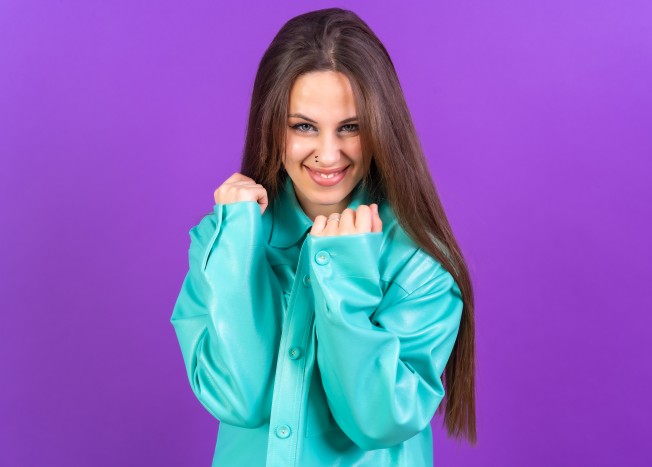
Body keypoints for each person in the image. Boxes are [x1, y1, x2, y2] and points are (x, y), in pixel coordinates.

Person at [170, 7, 476, 466]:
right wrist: (237, 251)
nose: (328, 155)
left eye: (351, 127)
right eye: (304, 126)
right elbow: (238, 400)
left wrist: (345, 281)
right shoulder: (223, 240)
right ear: (272, 125)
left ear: (380, 127)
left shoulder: (419, 262)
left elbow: (377, 421)